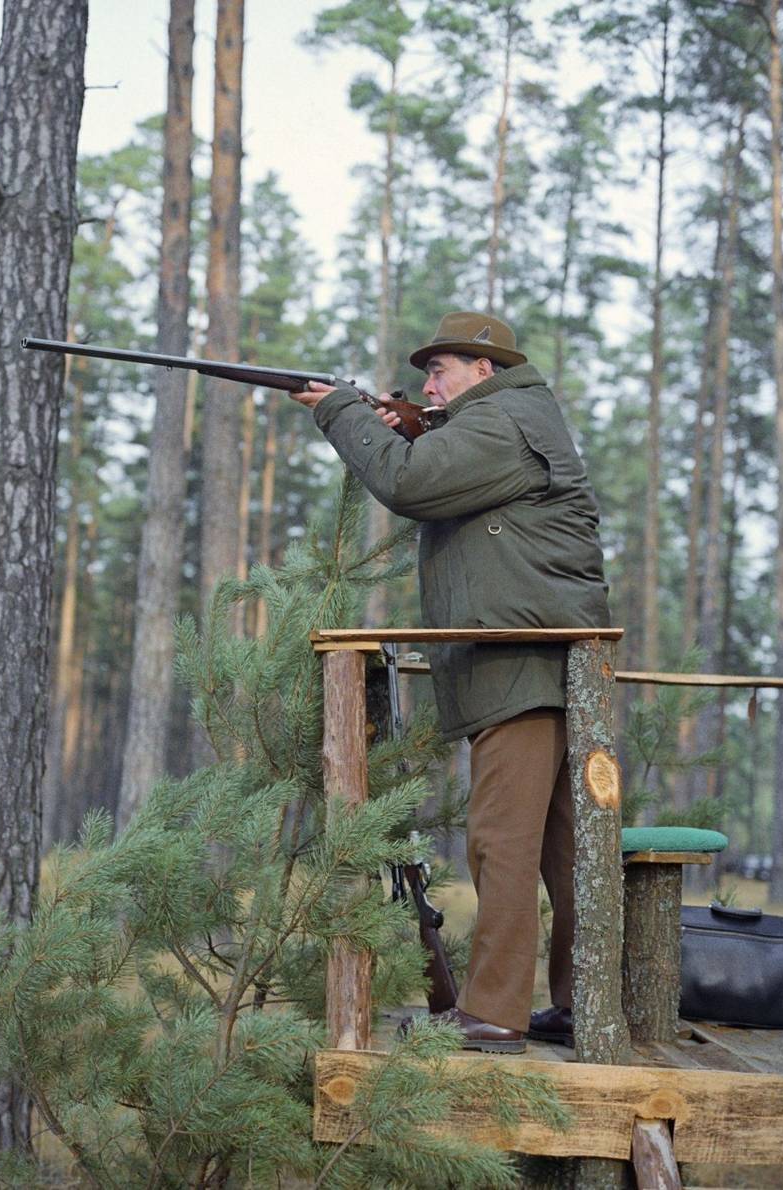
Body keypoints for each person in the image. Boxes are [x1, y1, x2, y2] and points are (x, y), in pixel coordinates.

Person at [290, 311, 610, 1053]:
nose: (427, 384)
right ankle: (582, 1005)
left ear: (485, 370)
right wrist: (406, 423)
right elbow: (437, 466)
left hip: (522, 663)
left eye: (441, 371)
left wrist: (341, 411)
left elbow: (411, 484)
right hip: (539, 662)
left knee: (503, 845)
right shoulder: (511, 418)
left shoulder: (503, 422)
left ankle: (496, 1011)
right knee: (568, 855)